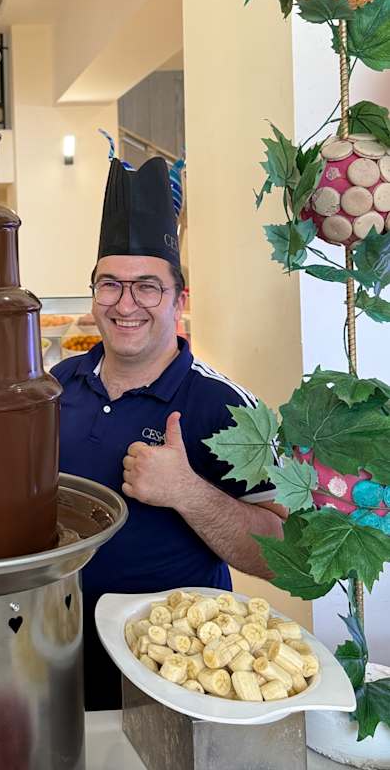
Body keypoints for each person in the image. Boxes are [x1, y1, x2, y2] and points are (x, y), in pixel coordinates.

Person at [52, 158, 286, 711]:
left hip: (174, 675)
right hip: (56, 659)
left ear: (180, 300)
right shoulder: (57, 385)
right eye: (110, 284)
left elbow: (284, 554)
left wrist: (187, 491)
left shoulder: (225, 405)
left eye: (148, 287)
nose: (125, 304)